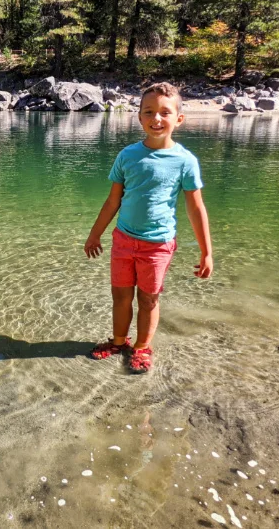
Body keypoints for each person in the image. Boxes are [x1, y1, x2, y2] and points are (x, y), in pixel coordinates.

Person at [83, 82, 213, 374]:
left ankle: (142, 347)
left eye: (165, 113)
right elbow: (113, 200)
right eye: (149, 112)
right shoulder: (127, 156)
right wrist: (95, 234)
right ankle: (118, 342)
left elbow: (196, 208)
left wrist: (207, 252)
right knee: (121, 296)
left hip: (158, 245)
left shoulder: (185, 161)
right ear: (139, 117)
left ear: (179, 119)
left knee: (149, 299)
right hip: (124, 240)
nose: (156, 119)